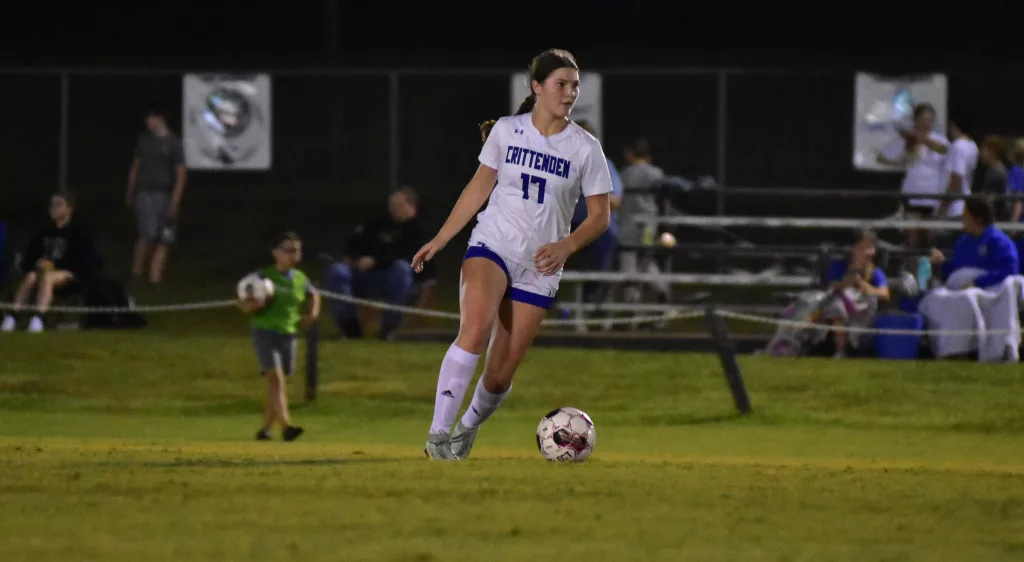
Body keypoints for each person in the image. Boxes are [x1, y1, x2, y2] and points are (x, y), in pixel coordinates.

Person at [411, 49, 613, 460]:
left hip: (541, 267)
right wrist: (442, 239)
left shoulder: (585, 148)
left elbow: (600, 217)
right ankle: (437, 437)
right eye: (561, 84)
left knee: (500, 376)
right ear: (537, 87)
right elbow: (478, 187)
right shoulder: (506, 131)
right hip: (493, 245)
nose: (570, 93)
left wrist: (566, 246)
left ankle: (465, 429)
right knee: (474, 330)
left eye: (574, 86)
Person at [238, 232, 320, 442]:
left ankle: (265, 430)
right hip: (265, 331)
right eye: (288, 250)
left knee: (276, 384)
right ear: (276, 252)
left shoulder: (300, 278)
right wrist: (250, 305)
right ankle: (286, 427)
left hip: (289, 334)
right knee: (276, 378)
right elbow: (243, 297)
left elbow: (314, 294)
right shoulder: (262, 276)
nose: (293, 254)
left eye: (296, 250)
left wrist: (313, 312)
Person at [324, 187, 429, 340]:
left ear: (412, 206)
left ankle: (388, 329)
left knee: (402, 269)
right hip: (363, 273)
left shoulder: (418, 232)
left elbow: (409, 256)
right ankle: (349, 328)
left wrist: (376, 261)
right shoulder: (377, 223)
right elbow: (353, 243)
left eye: (398, 205)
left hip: (392, 278)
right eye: (391, 205)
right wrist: (355, 258)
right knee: (337, 271)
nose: (393, 209)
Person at [2, 191, 99, 333]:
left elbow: (82, 259)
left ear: (69, 209)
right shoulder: (44, 230)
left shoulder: (79, 230)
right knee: (30, 277)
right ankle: (13, 315)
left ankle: (39, 318)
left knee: (48, 277)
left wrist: (54, 265)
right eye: (52, 205)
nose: (54, 208)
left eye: (59, 205)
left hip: (70, 272)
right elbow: (31, 255)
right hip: (44, 270)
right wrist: (37, 263)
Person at [124, 106, 187, 293]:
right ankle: (136, 274)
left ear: (160, 118)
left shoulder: (175, 143)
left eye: (151, 118)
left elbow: (181, 175)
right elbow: (135, 167)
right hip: (146, 194)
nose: (148, 123)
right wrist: (130, 191)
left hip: (166, 194)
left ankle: (156, 278)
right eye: (147, 119)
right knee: (147, 234)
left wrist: (175, 201)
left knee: (164, 238)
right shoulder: (144, 141)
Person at [876, 103, 949, 248]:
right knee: (912, 239)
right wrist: (900, 162)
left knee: (931, 239)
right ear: (915, 120)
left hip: (933, 195)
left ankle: (929, 263)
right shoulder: (906, 139)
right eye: (922, 119)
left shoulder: (939, 139)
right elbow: (881, 157)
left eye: (929, 120)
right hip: (912, 194)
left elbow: (944, 150)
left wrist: (922, 139)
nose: (926, 123)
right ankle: (911, 263)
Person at [569, 120, 624, 310]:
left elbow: (615, 201)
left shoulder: (603, 164)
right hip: (566, 224)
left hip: (594, 226)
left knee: (605, 233)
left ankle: (593, 292)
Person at [617, 137, 672, 307]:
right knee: (646, 259)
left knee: (628, 258)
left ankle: (632, 300)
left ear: (630, 153)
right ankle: (662, 289)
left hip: (628, 225)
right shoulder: (656, 172)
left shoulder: (624, 174)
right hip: (649, 224)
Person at [820, 231, 890, 358]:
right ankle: (840, 350)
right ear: (854, 249)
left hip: (861, 310)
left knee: (870, 300)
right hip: (838, 306)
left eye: (871, 248)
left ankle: (855, 344)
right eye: (863, 248)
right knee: (836, 306)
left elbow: (884, 293)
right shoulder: (840, 265)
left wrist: (866, 287)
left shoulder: (874, 270)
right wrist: (848, 281)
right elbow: (832, 285)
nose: (868, 252)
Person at [930, 197, 1019, 290]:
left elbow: (1009, 270)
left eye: (966, 216)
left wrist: (977, 283)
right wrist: (940, 263)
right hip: (962, 293)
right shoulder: (962, 243)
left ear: (978, 219)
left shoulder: (1000, 242)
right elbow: (954, 271)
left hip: (992, 293)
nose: (962, 220)